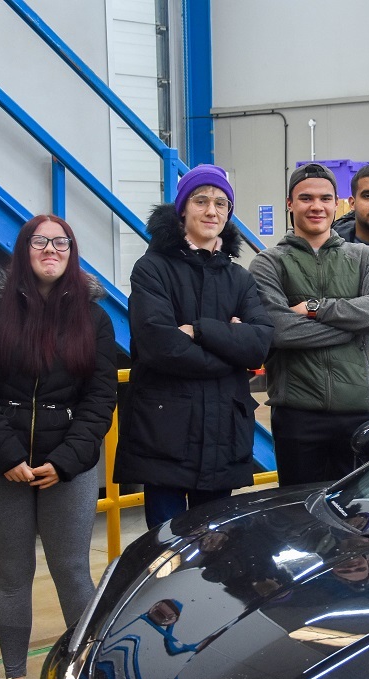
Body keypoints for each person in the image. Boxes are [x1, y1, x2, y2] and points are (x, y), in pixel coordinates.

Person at [0, 215, 118, 679]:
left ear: (72, 252)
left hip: (66, 466)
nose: (51, 249)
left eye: (62, 242)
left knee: (73, 569)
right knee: (12, 576)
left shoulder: (93, 318)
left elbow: (101, 398)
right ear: (24, 249)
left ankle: (89, 678)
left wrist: (67, 460)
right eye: (41, 242)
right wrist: (6, 457)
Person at [114, 164, 273, 529]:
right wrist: (230, 350)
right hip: (165, 436)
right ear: (182, 208)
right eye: (201, 200)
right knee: (165, 554)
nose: (211, 210)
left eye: (221, 203)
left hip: (223, 437)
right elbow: (159, 346)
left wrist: (200, 330)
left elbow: (259, 345)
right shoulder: (152, 268)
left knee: (214, 557)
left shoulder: (240, 277)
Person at [249, 162, 369, 486]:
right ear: (290, 203)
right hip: (298, 416)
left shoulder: (364, 258)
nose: (317, 206)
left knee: (358, 518)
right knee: (298, 517)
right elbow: (279, 330)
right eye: (306, 198)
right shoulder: (268, 263)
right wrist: (355, 325)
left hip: (360, 413)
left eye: (325, 198)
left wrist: (315, 307)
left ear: (337, 203)